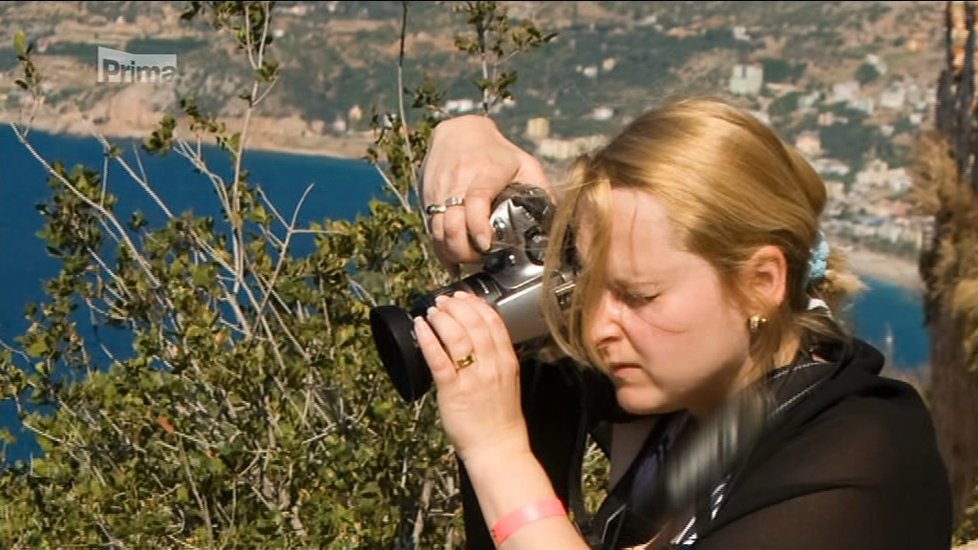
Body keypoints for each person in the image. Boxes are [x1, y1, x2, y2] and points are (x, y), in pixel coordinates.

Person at [411, 96, 953, 549]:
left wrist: (497, 452)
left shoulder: (862, 461)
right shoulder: (690, 390)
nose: (598, 329)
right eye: (590, 291)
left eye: (638, 295)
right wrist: (466, 132)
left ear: (762, 281)